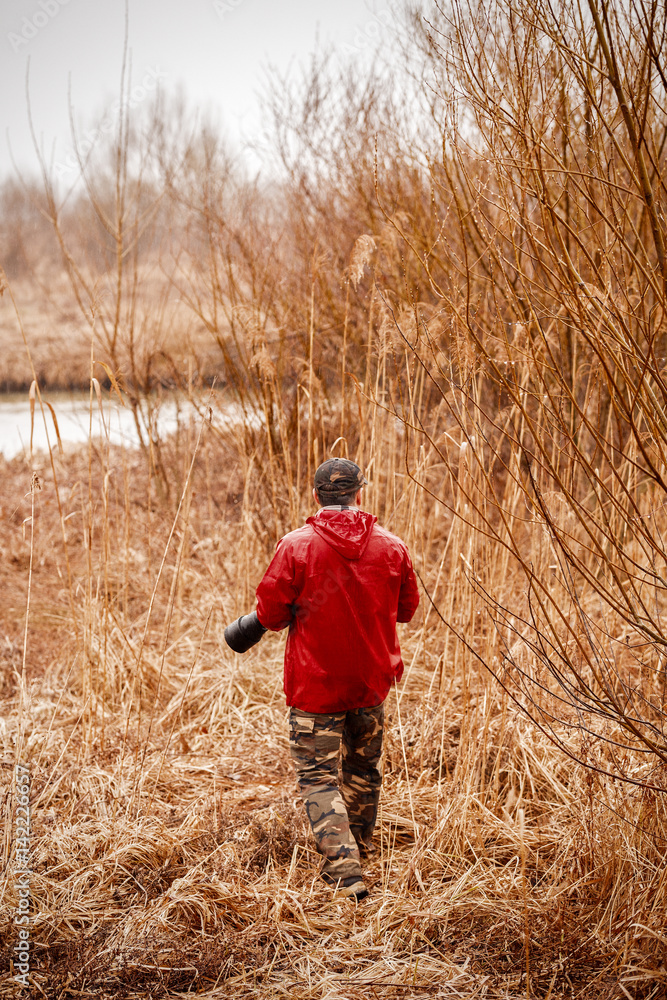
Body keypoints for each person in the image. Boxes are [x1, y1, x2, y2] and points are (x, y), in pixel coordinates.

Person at [254, 458, 419, 900]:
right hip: (371, 683)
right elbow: (406, 609)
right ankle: (359, 848)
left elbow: (269, 616)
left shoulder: (295, 547)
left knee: (319, 779)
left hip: (315, 690)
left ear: (315, 497)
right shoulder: (391, 546)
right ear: (359, 494)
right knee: (363, 769)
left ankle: (346, 876)